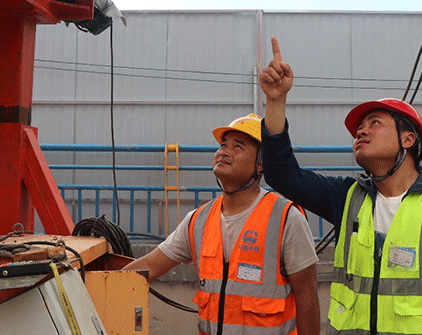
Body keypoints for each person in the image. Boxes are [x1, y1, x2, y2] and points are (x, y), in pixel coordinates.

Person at [259, 37, 422, 335]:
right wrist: (276, 101)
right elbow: (281, 175)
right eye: (360, 128)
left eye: (374, 123)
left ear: (408, 139)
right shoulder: (347, 198)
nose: (361, 131)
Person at [123, 113, 320, 335]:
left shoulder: (286, 218)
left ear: (260, 164)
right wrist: (97, 285)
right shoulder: (198, 221)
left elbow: (308, 298)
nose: (224, 151)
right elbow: (149, 266)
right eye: (223, 145)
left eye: (238, 147)